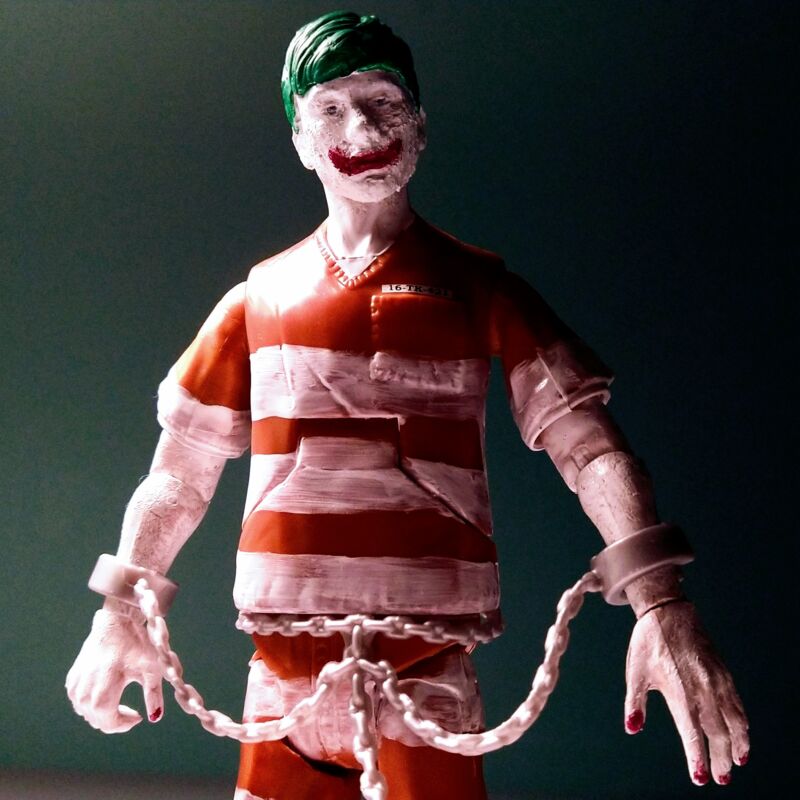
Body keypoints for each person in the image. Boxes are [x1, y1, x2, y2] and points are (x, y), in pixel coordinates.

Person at [66, 11, 749, 800]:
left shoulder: (480, 289)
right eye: (330, 108)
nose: (360, 128)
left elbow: (588, 447)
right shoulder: (256, 301)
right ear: (299, 138)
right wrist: (119, 609)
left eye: (382, 102)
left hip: (425, 684)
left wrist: (661, 604)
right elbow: (179, 474)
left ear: (419, 123)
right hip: (279, 688)